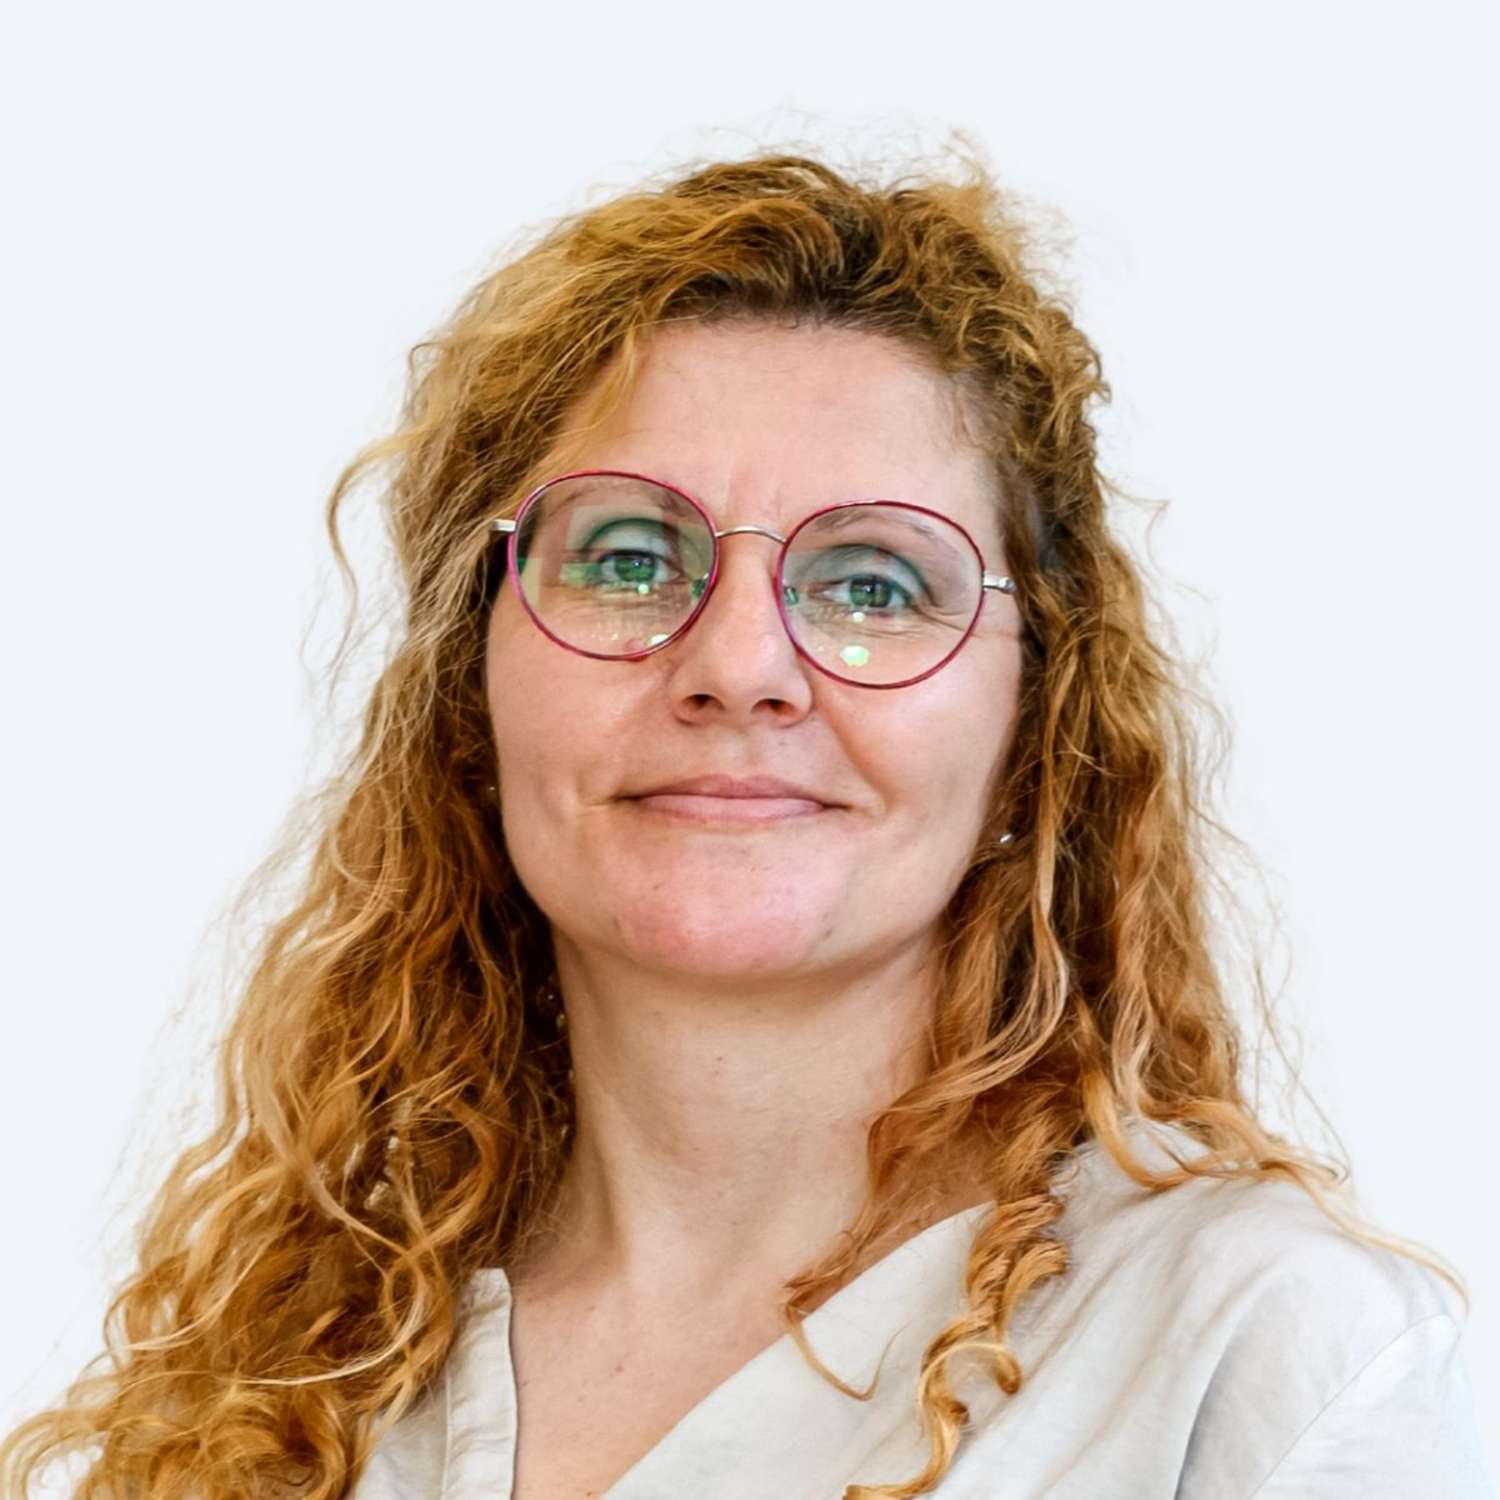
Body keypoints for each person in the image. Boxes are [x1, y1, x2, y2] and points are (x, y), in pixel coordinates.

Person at [2, 149, 1490, 1500]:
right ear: (472, 679)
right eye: (629, 558)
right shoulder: (298, 1371)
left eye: (872, 585)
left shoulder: (1264, 1360)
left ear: (1037, 725)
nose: (735, 665)